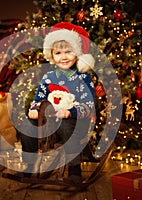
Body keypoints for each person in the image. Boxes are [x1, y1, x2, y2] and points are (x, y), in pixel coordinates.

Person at [20, 22, 96, 184]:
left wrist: (71, 111)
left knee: (66, 126)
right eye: (58, 52)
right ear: (51, 55)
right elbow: (39, 98)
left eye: (69, 52)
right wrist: (34, 109)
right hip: (50, 121)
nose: (63, 57)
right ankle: (29, 164)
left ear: (77, 53)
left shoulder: (83, 77)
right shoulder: (49, 77)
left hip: (76, 121)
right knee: (27, 126)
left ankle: (74, 167)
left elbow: (88, 104)